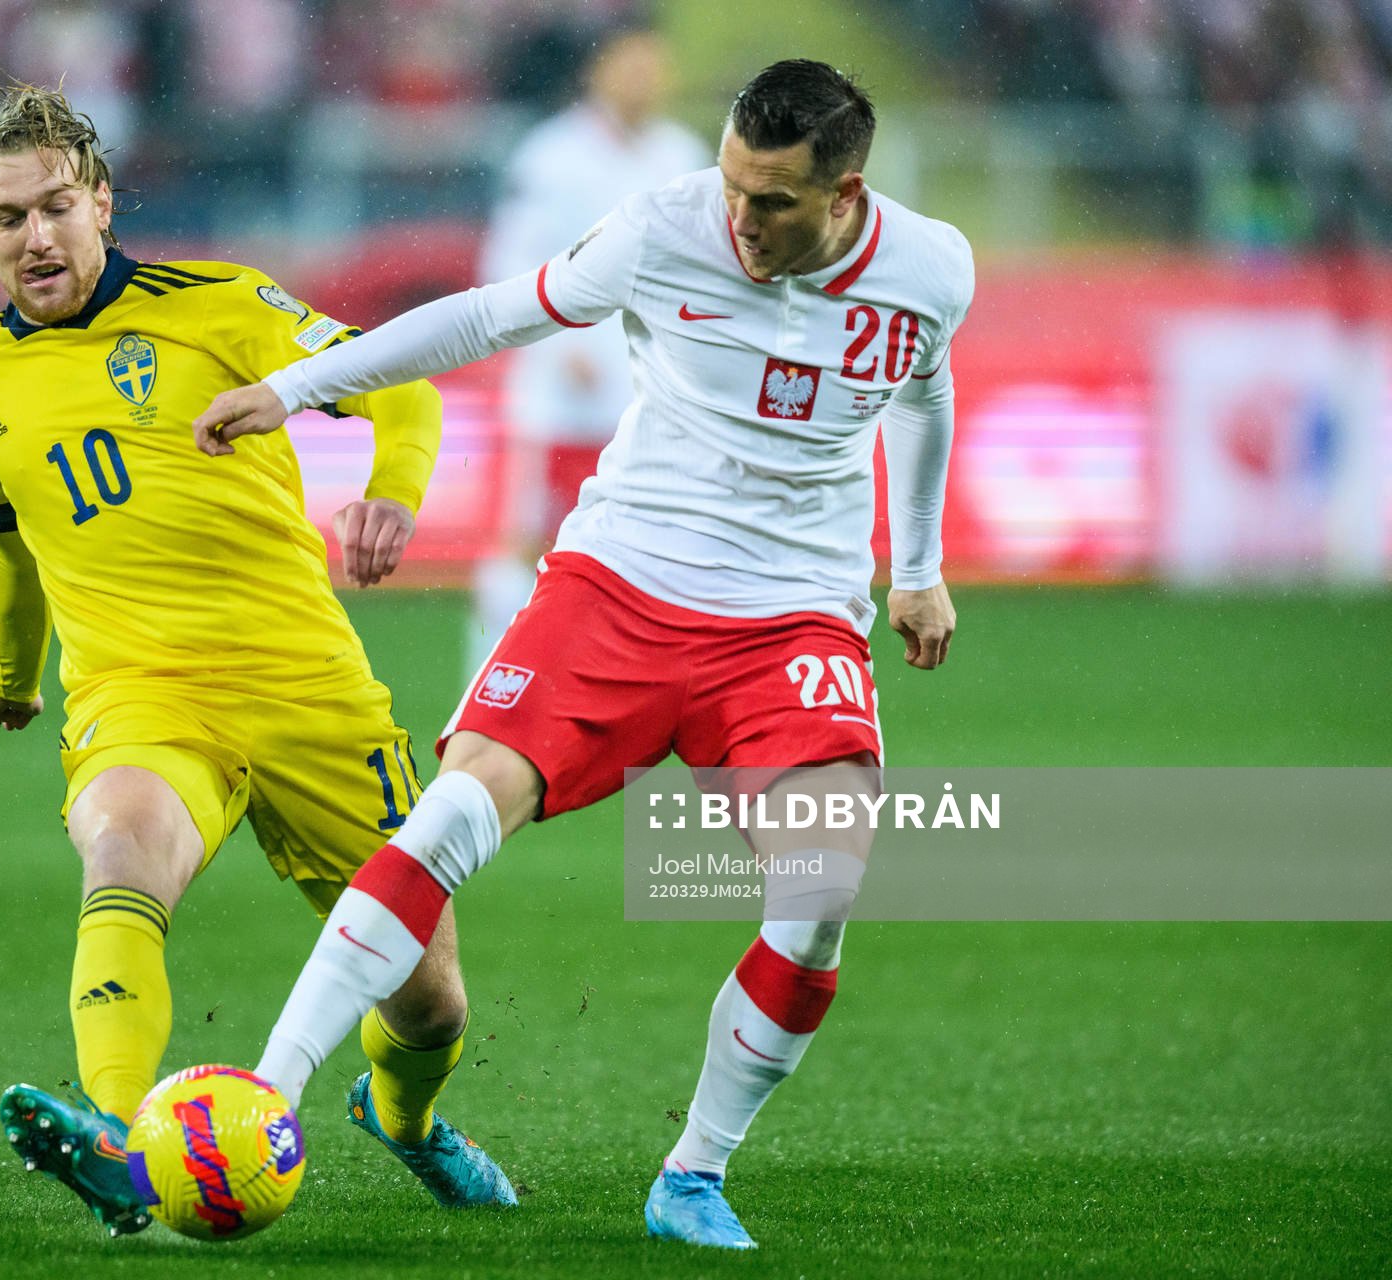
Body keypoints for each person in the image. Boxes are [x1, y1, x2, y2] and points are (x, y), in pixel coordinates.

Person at [192, 59, 971, 1251]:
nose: (742, 221)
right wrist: (297, 386)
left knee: (821, 890)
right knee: (449, 817)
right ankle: (267, 1095)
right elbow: (487, 314)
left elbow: (923, 392)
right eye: (732, 187)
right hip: (620, 579)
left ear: (847, 192)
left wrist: (913, 565)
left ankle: (694, 1172)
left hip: (794, 614)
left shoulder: (932, 270)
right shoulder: (665, 227)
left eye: (773, 203)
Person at [0, 80, 515, 1239]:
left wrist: (391, 492)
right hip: (140, 695)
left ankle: (408, 1121)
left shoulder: (222, 304)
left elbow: (402, 380)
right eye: (8, 219)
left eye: (56, 208)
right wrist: (15, 676)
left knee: (427, 1000)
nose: (36, 237)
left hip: (308, 690)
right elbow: (10, 548)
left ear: (104, 205)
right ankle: (121, 1141)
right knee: (121, 849)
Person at [469, 24, 709, 675]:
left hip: (648, 398)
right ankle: (484, 686)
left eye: (653, 65)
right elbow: (508, 262)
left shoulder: (682, 155)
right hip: (561, 398)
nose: (643, 78)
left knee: (649, 546)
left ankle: (614, 684)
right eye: (629, 63)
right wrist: (557, 341)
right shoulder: (550, 156)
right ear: (597, 71)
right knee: (530, 542)